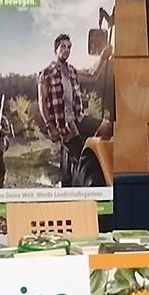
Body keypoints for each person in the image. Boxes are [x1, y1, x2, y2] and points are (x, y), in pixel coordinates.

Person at [37, 33, 111, 187]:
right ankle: (76, 189)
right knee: (77, 160)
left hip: (79, 118)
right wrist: (50, 126)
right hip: (63, 124)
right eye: (63, 46)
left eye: (69, 47)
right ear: (56, 49)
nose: (66, 50)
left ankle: (90, 149)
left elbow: (93, 75)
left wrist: (103, 57)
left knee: (106, 127)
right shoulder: (46, 73)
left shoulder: (72, 71)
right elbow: (42, 101)